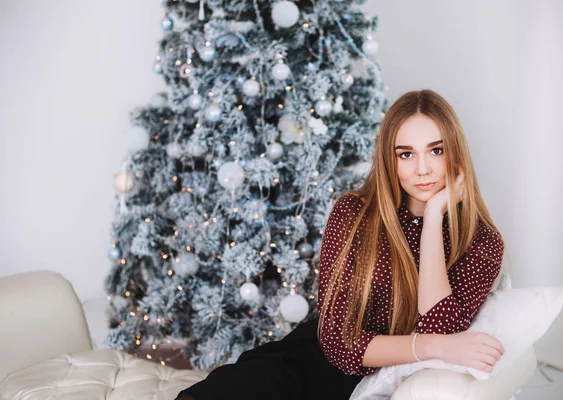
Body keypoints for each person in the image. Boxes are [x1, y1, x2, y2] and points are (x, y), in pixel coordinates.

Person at [176, 89, 506, 400]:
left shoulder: (482, 242)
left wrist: (434, 219)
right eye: (406, 154)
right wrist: (434, 346)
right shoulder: (354, 213)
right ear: (389, 161)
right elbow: (338, 341)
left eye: (436, 150)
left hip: (359, 386)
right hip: (307, 362)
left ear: (456, 152)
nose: (423, 169)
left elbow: (440, 327)